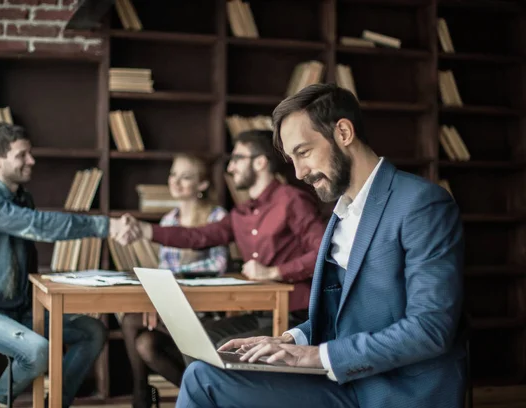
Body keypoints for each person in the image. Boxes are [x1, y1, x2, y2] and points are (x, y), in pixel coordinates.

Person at [175, 83, 466, 408]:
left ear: (343, 132)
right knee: (202, 376)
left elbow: (431, 328)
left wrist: (316, 356)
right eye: (291, 159)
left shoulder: (422, 204)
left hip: (394, 391)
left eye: (303, 152)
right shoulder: (340, 215)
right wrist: (289, 339)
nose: (299, 173)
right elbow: (343, 317)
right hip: (344, 382)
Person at [0, 123, 131, 408]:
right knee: (37, 351)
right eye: (22, 155)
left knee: (93, 331)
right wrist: (107, 225)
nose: (31, 161)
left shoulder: (24, 198)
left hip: (18, 313)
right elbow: (40, 226)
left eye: (30, 153)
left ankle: (56, 403)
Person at [124, 129, 327, 346]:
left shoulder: (292, 200)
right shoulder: (241, 213)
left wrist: (275, 272)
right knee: (195, 339)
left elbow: (323, 253)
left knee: (221, 346)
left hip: (297, 315)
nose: (230, 168)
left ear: (260, 162)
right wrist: (145, 230)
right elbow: (198, 236)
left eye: (237, 159)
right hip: (262, 311)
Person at [120, 154, 228, 408]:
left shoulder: (216, 216)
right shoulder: (168, 220)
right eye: (173, 175)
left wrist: (177, 278)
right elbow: (162, 271)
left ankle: (142, 397)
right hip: (173, 309)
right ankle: (194, 398)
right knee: (144, 343)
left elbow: (218, 265)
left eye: (185, 177)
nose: (176, 182)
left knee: (131, 322)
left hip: (206, 313)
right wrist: (159, 301)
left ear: (202, 185)